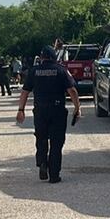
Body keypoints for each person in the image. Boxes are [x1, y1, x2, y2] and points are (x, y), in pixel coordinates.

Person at [16, 46, 81, 184]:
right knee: (56, 143)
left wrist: (21, 110)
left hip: (40, 111)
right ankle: (54, 175)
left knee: (41, 138)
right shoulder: (61, 70)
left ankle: (42, 163)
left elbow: (25, 92)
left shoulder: (34, 71)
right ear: (54, 57)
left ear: (42, 58)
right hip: (57, 110)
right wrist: (77, 108)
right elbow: (72, 90)